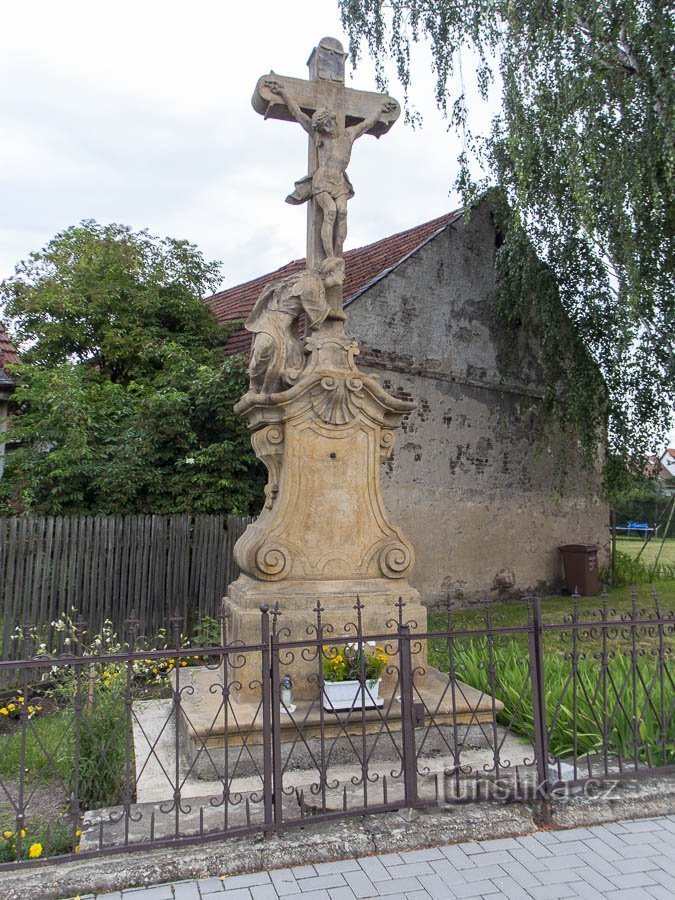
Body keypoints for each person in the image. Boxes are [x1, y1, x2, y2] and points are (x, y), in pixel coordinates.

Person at [265, 78, 397, 258]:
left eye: (327, 123)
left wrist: (380, 110)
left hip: (339, 183)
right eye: (322, 126)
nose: (327, 128)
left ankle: (337, 254)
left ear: (332, 120)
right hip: (322, 183)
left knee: (342, 212)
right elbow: (298, 114)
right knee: (331, 212)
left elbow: (367, 123)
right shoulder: (320, 138)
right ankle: (330, 257)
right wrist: (283, 92)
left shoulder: (349, 135)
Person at [245, 257, 344, 394]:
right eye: (341, 272)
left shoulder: (313, 281)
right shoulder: (311, 284)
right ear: (331, 273)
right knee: (264, 348)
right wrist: (341, 315)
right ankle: (254, 388)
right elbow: (320, 311)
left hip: (285, 327)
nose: (344, 276)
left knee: (287, 363)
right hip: (270, 320)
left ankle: (262, 391)